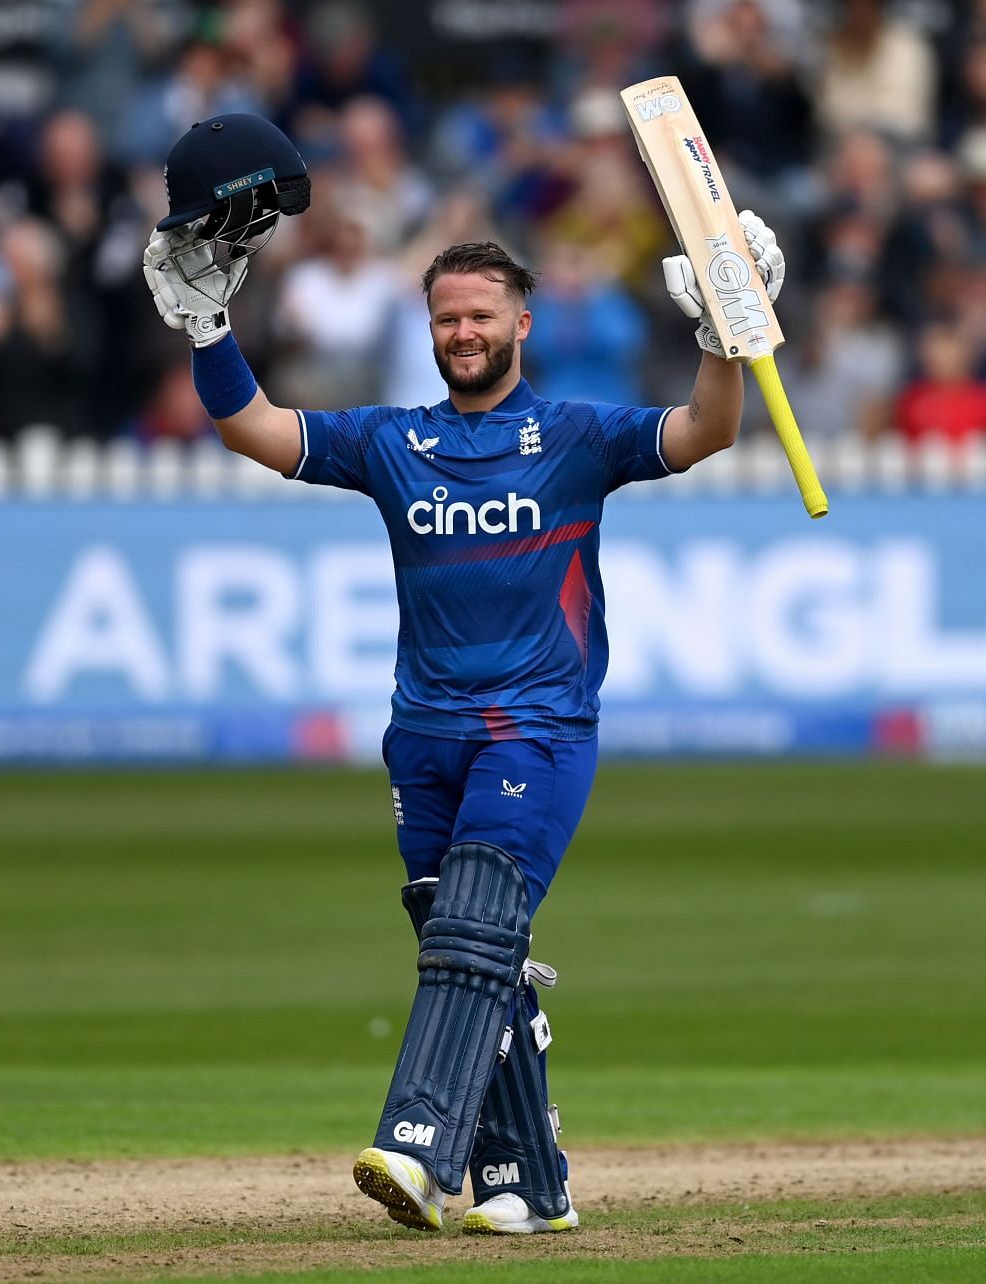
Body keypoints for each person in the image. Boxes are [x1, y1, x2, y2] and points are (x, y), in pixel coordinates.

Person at [141, 114, 782, 1235]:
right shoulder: (394, 442)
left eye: (481, 315)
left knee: (475, 931)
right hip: (422, 735)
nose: (463, 332)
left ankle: (418, 1142)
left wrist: (728, 327)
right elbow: (255, 428)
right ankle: (530, 1187)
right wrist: (208, 329)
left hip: (536, 728)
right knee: (473, 952)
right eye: (446, 318)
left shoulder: (578, 435)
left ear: (523, 324)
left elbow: (706, 431)